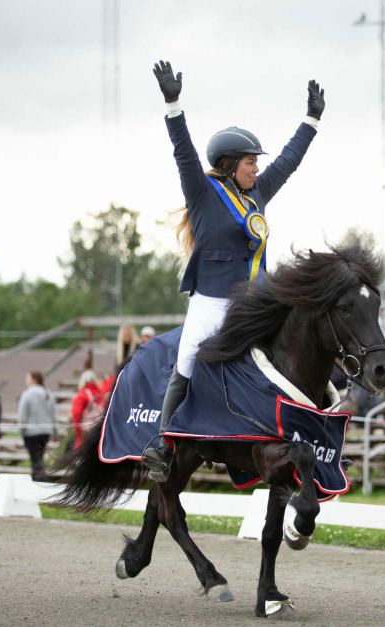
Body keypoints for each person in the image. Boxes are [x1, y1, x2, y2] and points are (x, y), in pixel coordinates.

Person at [141, 60, 325, 481]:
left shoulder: (257, 192)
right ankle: (161, 443)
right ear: (228, 164)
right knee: (186, 360)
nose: (257, 169)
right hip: (211, 300)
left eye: (257, 164)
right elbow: (183, 152)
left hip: (254, 302)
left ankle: (320, 438)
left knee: (298, 349)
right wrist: (173, 105)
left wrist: (310, 121)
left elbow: (289, 161)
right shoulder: (203, 193)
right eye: (250, 163)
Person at [17, 370, 57, 481]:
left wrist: (21, 429)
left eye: (28, 378)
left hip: (31, 432)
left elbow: (22, 415)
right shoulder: (48, 393)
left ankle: (40, 482)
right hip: (45, 432)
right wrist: (55, 431)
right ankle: (39, 481)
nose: (26, 381)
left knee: (35, 460)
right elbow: (53, 414)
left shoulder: (27, 394)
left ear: (34, 380)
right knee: (39, 459)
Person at [70, 370, 103, 450]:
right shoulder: (101, 394)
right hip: (100, 432)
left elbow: (77, 414)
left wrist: (78, 433)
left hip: (86, 434)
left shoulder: (82, 395)